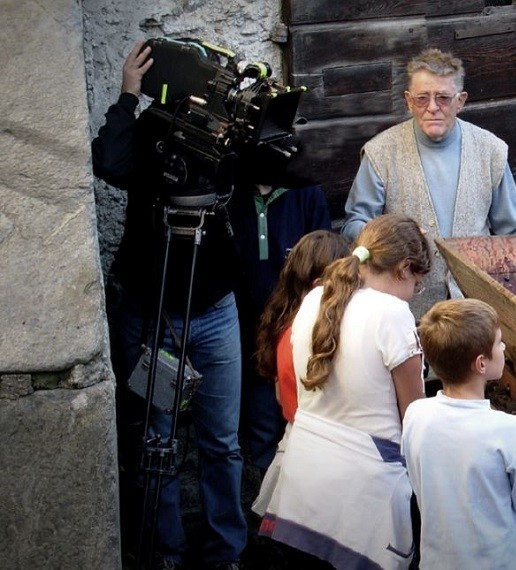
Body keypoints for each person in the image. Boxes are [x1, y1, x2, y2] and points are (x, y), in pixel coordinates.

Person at [92, 39, 246, 569]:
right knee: (157, 438)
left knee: (222, 442)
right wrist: (128, 98)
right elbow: (108, 162)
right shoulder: (152, 129)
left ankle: (226, 551)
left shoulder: (227, 130)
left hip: (215, 310)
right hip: (153, 311)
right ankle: (166, 551)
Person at [259, 214, 429, 569]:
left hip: (304, 480)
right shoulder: (394, 314)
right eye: (417, 282)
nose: (414, 294)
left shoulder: (315, 297)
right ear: (403, 268)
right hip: (364, 499)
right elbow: (415, 421)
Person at [340, 48, 516, 317]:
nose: (432, 107)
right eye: (422, 98)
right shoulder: (380, 152)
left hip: (475, 310)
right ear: (408, 101)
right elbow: (354, 225)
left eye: (443, 98)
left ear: (461, 101)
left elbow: (514, 230)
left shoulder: (491, 150)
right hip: (404, 310)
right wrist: (390, 239)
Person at [402, 298, 516, 569]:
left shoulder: (416, 415)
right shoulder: (509, 430)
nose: (503, 348)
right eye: (499, 343)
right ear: (481, 363)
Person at [228, 144, 332, 474]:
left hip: (298, 333)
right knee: (260, 427)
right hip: (247, 332)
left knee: (305, 423)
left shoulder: (306, 193)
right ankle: (265, 512)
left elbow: (325, 263)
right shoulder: (230, 194)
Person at [250, 229, 349, 518]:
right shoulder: (313, 337)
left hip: (298, 445)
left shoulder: (284, 326)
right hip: (324, 453)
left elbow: (283, 398)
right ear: (322, 285)